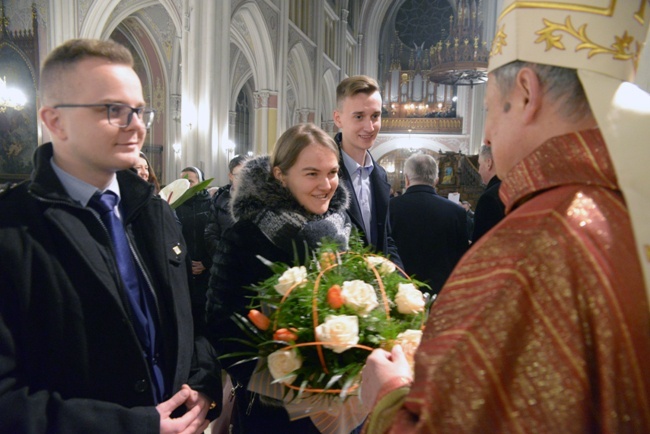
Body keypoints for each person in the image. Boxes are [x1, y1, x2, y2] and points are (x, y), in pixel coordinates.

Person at [360, 2, 650, 433]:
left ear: (527, 94)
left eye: (492, 108)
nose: (488, 134)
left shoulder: (529, 250)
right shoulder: (629, 207)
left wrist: (389, 393)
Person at [0, 38, 221, 433]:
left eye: (138, 110)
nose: (135, 125)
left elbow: (192, 319)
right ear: (54, 120)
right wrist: (133, 427)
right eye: (112, 110)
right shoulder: (13, 228)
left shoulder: (155, 212)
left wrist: (203, 386)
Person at [206, 123, 351, 433]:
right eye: (311, 173)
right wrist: (286, 383)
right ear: (280, 175)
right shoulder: (246, 237)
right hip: (273, 412)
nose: (326, 185)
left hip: (341, 406)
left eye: (333, 172)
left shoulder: (341, 226)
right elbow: (222, 327)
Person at [333, 75, 402, 267]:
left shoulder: (379, 173)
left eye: (375, 116)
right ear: (338, 118)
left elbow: (385, 240)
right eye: (359, 116)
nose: (369, 127)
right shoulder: (325, 173)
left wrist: (403, 284)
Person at [389, 154, 468, 295]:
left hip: (399, 290)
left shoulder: (389, 208)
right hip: (441, 292)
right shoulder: (456, 212)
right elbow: (461, 258)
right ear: (436, 180)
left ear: (406, 179)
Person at [176, 166, 212, 335]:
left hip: (207, 269)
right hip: (184, 268)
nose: (186, 184)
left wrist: (206, 262)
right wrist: (184, 261)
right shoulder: (175, 205)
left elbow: (214, 236)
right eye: (182, 180)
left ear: (201, 183)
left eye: (190, 181)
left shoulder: (211, 204)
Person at [204, 154, 248, 258]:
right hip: (226, 262)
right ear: (231, 176)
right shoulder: (219, 199)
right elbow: (211, 233)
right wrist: (226, 255)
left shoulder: (262, 198)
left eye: (247, 174)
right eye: (238, 175)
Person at [471, 144, 504, 242]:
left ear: (489, 163)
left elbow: (481, 243)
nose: (479, 171)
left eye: (480, 164)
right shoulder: (509, 187)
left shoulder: (489, 198)